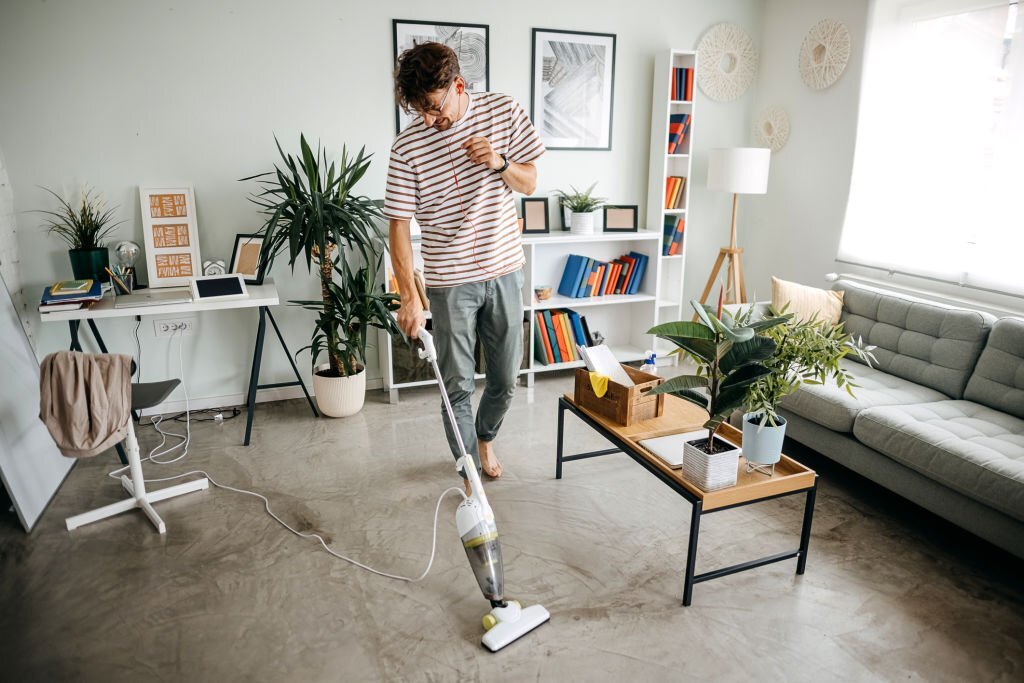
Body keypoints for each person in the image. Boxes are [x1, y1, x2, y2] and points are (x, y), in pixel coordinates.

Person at [385, 42, 545, 494]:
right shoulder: (406, 147)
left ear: (458, 85)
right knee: (455, 384)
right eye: (420, 111)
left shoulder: (504, 111)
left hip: (506, 270)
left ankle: (485, 437)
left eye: (434, 108)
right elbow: (398, 227)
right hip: (449, 282)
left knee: (504, 379)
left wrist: (499, 162)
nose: (430, 120)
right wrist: (408, 296)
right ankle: (469, 467)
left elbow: (530, 181)